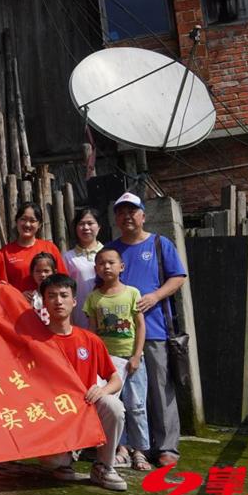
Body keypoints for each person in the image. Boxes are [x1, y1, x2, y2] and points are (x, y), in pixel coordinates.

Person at [108, 192, 187, 468]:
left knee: (160, 389)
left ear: (143, 215)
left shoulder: (159, 244)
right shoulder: (112, 250)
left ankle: (166, 447)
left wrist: (155, 296)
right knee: (127, 394)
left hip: (155, 329)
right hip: (119, 336)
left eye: (132, 211)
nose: (126, 217)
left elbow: (178, 277)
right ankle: (131, 445)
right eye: (121, 212)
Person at [36, 273, 127, 492]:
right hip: (53, 415)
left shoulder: (90, 340)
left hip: (85, 408)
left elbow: (115, 379)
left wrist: (102, 390)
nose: (58, 301)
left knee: (114, 406)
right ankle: (66, 458)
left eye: (64, 295)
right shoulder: (34, 341)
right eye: (52, 296)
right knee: (52, 461)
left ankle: (104, 466)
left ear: (74, 301)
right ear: (44, 302)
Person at [84, 247, 150, 472]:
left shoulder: (132, 293)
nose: (106, 267)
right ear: (96, 269)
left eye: (111, 262)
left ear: (121, 267)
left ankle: (140, 450)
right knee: (115, 405)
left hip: (131, 359)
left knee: (137, 405)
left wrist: (137, 355)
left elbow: (140, 326)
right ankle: (120, 449)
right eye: (101, 263)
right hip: (107, 363)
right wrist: (94, 361)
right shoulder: (94, 297)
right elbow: (92, 332)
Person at [2, 202, 67, 294]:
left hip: (48, 302)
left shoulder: (50, 248)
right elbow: (2, 285)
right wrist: (19, 295)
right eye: (23, 219)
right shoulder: (5, 252)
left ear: (39, 224)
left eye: (32, 221)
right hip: (17, 302)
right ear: (17, 221)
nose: (27, 224)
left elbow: (63, 280)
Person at [63, 208, 104, 328]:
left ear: (99, 226)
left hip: (107, 312)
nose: (86, 227)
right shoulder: (68, 257)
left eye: (90, 223)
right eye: (81, 224)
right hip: (80, 315)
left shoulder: (108, 253)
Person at [26, 252, 56, 324]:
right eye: (38, 271)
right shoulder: (30, 297)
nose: (42, 274)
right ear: (32, 273)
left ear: (54, 272)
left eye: (46, 271)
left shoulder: (61, 295)